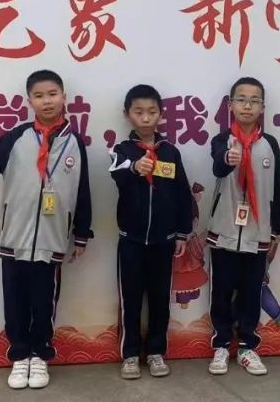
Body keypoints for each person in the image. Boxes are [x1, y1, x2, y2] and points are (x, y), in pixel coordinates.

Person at [0, 69, 92, 390]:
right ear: (29, 101)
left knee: (44, 301)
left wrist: (82, 233)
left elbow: (82, 192)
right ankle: (20, 354)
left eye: (52, 94)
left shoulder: (74, 144)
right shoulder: (16, 138)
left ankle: (40, 354)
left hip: (52, 241)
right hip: (14, 238)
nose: (47, 101)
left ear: (64, 97)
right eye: (39, 96)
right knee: (14, 301)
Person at [108, 84, 193, 380]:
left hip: (163, 241)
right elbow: (117, 175)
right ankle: (130, 354)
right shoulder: (122, 150)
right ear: (127, 115)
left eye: (152, 112)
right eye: (139, 112)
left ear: (161, 115)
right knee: (130, 300)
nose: (145, 118)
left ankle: (156, 351)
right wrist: (135, 168)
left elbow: (182, 194)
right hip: (130, 241)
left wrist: (182, 233)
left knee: (159, 299)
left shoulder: (170, 151)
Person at [206, 77, 280, 376]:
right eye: (241, 100)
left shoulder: (270, 144)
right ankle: (221, 345)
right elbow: (217, 166)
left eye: (254, 101)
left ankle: (248, 348)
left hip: (257, 234)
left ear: (262, 107)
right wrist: (228, 158)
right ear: (230, 105)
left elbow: (279, 187)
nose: (247, 106)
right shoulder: (221, 140)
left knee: (252, 292)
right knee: (222, 292)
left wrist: (274, 229)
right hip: (224, 232)